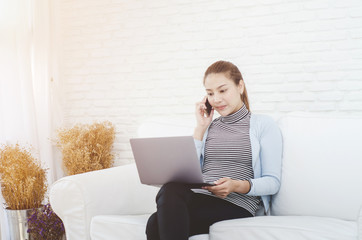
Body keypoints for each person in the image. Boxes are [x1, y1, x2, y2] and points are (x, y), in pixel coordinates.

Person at [146, 60, 283, 240]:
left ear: (240, 86)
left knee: (156, 221)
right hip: (199, 199)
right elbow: (187, 173)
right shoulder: (209, 127)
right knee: (167, 197)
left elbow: (273, 182)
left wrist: (236, 185)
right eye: (210, 93)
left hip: (237, 204)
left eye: (222, 90)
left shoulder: (262, 125)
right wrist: (200, 128)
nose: (216, 99)